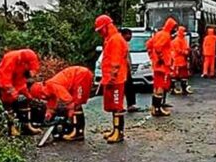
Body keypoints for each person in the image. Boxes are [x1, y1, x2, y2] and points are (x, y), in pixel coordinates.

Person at [29, 66, 94, 142]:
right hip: (79, 75)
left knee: (76, 104)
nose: (41, 99)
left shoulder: (53, 85)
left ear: (40, 93)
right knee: (75, 105)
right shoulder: (49, 87)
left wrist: (70, 111)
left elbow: (68, 100)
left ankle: (78, 133)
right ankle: (76, 131)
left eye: (39, 97)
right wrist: (49, 113)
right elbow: (52, 100)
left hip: (81, 75)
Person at [95, 15, 129, 144]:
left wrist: (111, 77)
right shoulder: (110, 39)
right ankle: (115, 130)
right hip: (111, 79)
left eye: (100, 30)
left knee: (117, 106)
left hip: (116, 79)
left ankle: (119, 133)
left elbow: (115, 62)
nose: (99, 33)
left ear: (106, 27)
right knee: (113, 106)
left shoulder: (115, 40)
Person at [0, 48, 42, 136]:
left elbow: (33, 70)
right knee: (8, 104)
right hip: (6, 82)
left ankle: (27, 126)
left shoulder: (31, 57)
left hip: (19, 81)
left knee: (26, 100)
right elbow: (4, 78)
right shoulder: (11, 58)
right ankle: (12, 128)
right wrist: (13, 93)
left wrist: (26, 92)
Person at [146, 17, 177, 117]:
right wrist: (162, 59)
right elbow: (158, 47)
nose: (174, 30)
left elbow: (149, 44)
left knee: (156, 86)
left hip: (157, 65)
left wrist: (152, 57)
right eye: (174, 27)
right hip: (162, 66)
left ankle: (155, 108)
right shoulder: (166, 35)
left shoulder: (158, 34)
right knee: (161, 87)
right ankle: (158, 109)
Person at [120, 28, 140, 113]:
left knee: (129, 87)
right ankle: (125, 105)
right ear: (125, 35)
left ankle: (130, 104)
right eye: (129, 35)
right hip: (122, 69)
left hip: (125, 68)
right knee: (125, 87)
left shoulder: (124, 43)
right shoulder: (120, 42)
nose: (131, 37)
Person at [171, 26, 193, 95]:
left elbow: (185, 47)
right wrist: (185, 52)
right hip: (178, 60)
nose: (184, 33)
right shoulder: (177, 40)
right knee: (175, 75)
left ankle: (183, 89)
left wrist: (188, 50)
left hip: (182, 60)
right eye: (183, 31)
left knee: (183, 75)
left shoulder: (182, 39)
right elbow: (178, 50)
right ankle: (173, 89)